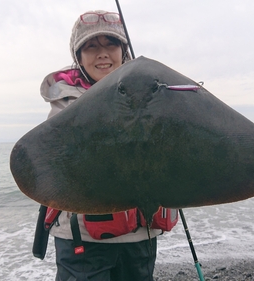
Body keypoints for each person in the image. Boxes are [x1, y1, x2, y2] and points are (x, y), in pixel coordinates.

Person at [39, 10, 162, 281]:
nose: (102, 53)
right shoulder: (65, 104)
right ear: (79, 57)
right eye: (91, 46)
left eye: (111, 44)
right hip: (82, 238)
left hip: (140, 234)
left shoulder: (156, 95)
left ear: (123, 51)